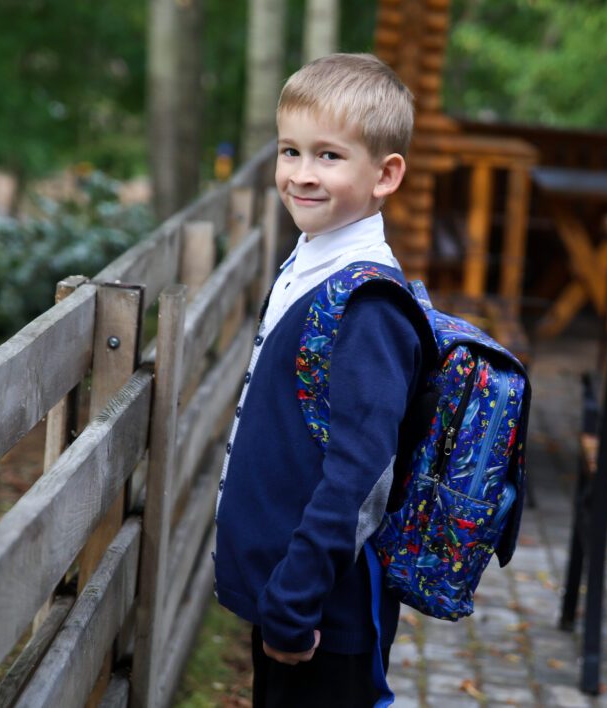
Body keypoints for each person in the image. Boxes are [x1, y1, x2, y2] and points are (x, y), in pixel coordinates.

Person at [213, 53, 425, 706]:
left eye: (329, 156)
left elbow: (359, 474)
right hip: (287, 598)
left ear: (385, 174)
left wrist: (295, 601)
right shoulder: (311, 262)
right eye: (291, 151)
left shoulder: (368, 304)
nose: (302, 174)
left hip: (321, 617)